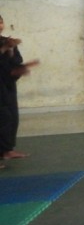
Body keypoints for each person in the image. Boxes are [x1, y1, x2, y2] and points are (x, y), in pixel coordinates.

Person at [0, 15, 38, 164]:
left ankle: (7, 150)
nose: (0, 26)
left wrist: (20, 69)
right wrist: (4, 49)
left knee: (11, 117)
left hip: (6, 85)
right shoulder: (5, 44)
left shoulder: (7, 41)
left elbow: (15, 62)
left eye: (1, 22)